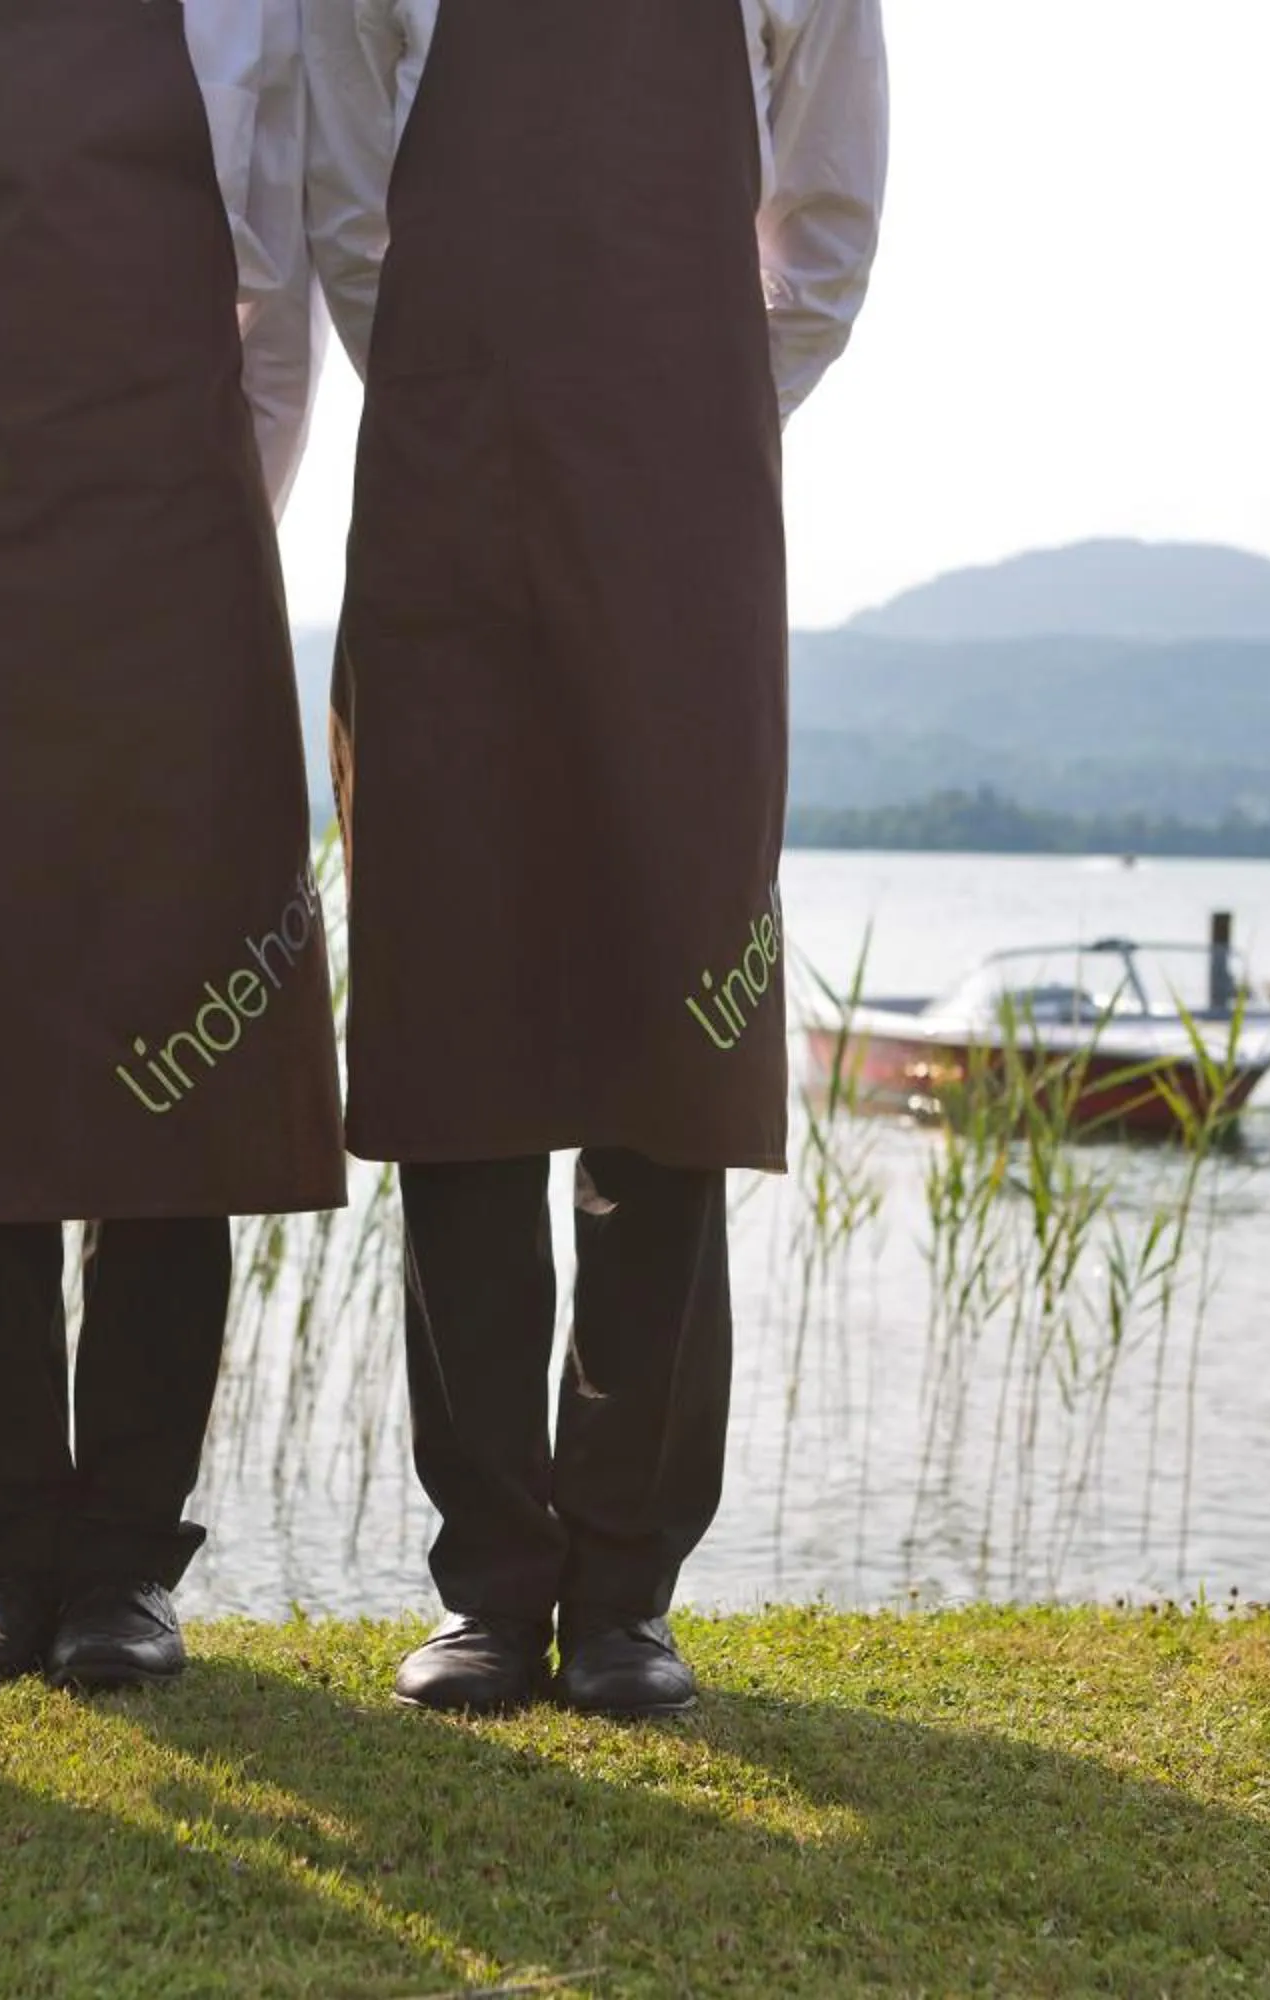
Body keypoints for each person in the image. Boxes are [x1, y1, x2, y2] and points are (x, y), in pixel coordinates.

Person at [307, 0, 889, 1717]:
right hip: (446, 489)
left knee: (674, 1045)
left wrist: (684, 405)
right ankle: (491, 1585)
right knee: (455, 1040)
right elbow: (350, 216)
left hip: (682, 514)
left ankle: (626, 1591)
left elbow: (827, 234)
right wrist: (464, 388)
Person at [0, 0, 343, 1690]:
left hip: (179, 540)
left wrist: (199, 502)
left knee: (177, 1047)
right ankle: (1, 1554)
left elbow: (280, 288)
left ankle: (124, 1567)